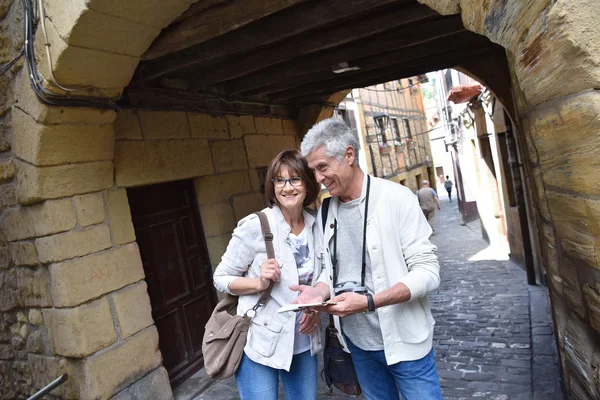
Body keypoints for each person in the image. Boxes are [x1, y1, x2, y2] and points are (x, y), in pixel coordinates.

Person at [292, 118, 442, 400]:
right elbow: (328, 270)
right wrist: (318, 292)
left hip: (406, 343)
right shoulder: (325, 212)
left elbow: (428, 271)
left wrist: (370, 302)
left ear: (349, 155)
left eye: (322, 167)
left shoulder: (398, 198)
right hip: (357, 346)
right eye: (313, 171)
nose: (318, 178)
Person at [213, 150, 325, 400]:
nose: (288, 187)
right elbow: (221, 277)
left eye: (295, 179)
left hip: (304, 341)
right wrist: (259, 282)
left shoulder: (316, 225)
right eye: (280, 180)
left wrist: (316, 305)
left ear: (308, 183)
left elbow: (324, 275)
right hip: (260, 341)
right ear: (271, 186)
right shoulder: (255, 226)